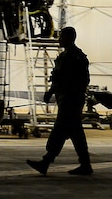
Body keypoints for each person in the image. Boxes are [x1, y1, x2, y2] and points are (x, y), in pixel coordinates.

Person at [27, 26, 93, 175]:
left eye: (62, 37)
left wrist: (70, 93)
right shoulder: (64, 56)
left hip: (72, 101)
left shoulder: (77, 57)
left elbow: (83, 80)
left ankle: (46, 162)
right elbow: (57, 78)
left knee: (60, 131)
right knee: (74, 133)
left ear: (69, 38)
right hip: (65, 100)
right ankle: (84, 164)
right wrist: (51, 92)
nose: (59, 39)